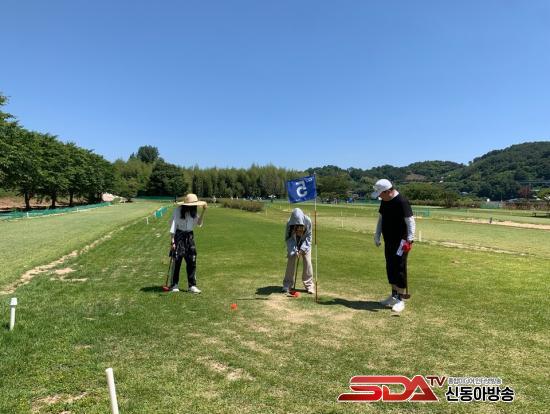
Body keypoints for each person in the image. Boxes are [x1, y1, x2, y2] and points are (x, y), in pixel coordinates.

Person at [372, 179, 415, 313]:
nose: (379, 197)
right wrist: (377, 235)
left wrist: (410, 239)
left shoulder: (402, 201)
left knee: (399, 267)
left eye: (380, 194)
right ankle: (394, 296)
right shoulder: (384, 201)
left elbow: (410, 221)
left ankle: (400, 300)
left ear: (388, 191)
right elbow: (381, 219)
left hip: (401, 242)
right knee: (390, 267)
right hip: (389, 241)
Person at [169, 193, 207, 293]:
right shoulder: (178, 210)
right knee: (177, 261)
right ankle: (174, 284)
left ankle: (192, 286)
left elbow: (199, 223)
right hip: (179, 236)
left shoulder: (193, 211)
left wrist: (203, 211)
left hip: (189, 236)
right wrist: (172, 241)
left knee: (192, 260)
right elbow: (173, 225)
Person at [283, 208, 315, 294]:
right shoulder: (289, 223)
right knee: (291, 261)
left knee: (308, 262)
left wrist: (302, 249)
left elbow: (309, 237)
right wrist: (294, 250)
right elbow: (288, 239)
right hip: (293, 243)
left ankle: (309, 286)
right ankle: (287, 284)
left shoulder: (308, 221)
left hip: (305, 242)